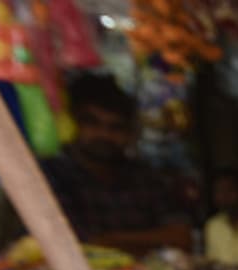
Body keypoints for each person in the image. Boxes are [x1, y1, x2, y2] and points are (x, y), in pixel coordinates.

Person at [38, 74, 191, 251]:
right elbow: (71, 242)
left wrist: (109, 240)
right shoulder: (52, 174)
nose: (104, 135)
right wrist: (146, 240)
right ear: (72, 125)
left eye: (116, 127)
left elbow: (181, 237)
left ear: (130, 134)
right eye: (93, 123)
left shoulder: (145, 177)